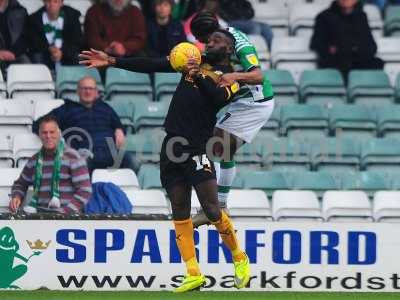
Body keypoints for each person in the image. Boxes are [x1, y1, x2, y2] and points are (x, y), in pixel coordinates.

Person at [79, 29, 251, 293]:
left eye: (217, 41)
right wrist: (113, 61)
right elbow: (153, 64)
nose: (210, 43)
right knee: (179, 210)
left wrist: (197, 75)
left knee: (213, 209)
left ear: (229, 49)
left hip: (197, 147)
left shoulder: (230, 78)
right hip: (172, 146)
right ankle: (193, 273)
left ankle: (239, 258)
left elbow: (218, 99)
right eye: (210, 40)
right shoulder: (192, 60)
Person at [189, 11, 275, 227]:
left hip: (253, 102)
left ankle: (214, 207)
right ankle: (219, 205)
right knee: (222, 150)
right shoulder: (219, 39)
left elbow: (258, 75)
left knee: (214, 147)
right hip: (243, 102)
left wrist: (234, 76)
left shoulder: (240, 44)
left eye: (204, 39)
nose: (204, 44)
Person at [33, 76, 133, 174]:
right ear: (78, 91)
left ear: (96, 92)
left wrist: (119, 129)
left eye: (91, 89)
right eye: (84, 88)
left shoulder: (105, 107)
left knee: (131, 161)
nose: (88, 92)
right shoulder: (67, 108)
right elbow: (39, 124)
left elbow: (118, 124)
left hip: (110, 153)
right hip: (84, 153)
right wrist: (53, 136)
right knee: (81, 165)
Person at [9, 115, 92, 214]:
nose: (48, 136)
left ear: (59, 133)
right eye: (44, 133)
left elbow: (85, 190)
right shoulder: (34, 160)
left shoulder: (73, 157)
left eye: (52, 132)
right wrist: (17, 196)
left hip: (68, 217)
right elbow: (20, 184)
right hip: (40, 216)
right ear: (39, 135)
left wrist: (65, 212)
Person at [310, 0, 384, 80]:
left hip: (359, 62)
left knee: (376, 64)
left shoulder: (361, 16)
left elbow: (371, 46)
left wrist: (355, 49)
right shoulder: (324, 17)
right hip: (336, 64)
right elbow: (317, 44)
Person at [27, 0, 83, 71]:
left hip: (67, 53)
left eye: (55, 1)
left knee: (78, 56)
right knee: (36, 56)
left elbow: (77, 41)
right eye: (48, 1)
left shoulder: (72, 17)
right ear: (44, 2)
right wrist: (49, 49)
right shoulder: (34, 19)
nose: (51, 4)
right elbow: (33, 43)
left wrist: (62, 52)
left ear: (61, 3)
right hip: (46, 54)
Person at [0, 0, 30, 77]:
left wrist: (13, 53)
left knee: (27, 66)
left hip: (15, 55)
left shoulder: (20, 10)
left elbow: (25, 37)